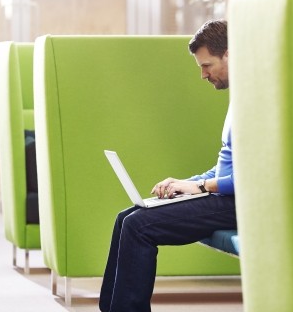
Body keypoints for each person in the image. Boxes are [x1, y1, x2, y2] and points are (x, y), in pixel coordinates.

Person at [99, 19, 236, 312]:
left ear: (229, 54)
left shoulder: (259, 103)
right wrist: (185, 183)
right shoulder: (238, 102)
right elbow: (226, 168)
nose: (203, 75)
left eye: (207, 65)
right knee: (127, 216)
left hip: (240, 203)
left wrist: (200, 187)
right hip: (224, 196)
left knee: (139, 226)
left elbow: (256, 178)